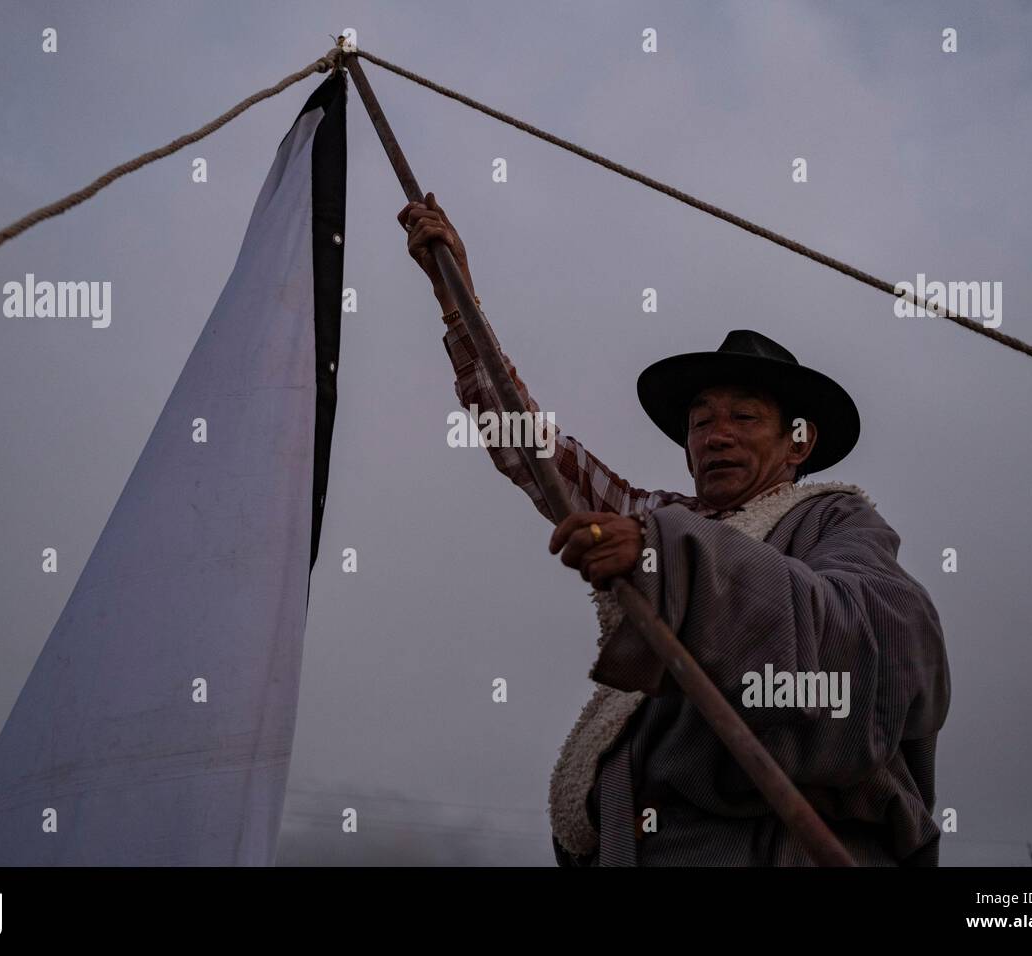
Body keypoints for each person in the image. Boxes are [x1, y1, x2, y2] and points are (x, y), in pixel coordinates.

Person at [397, 194, 952, 866]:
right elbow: (530, 450)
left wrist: (672, 561)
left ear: (797, 443)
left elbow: (889, 643)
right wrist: (458, 302)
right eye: (701, 422)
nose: (717, 435)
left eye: (744, 418)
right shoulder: (662, 517)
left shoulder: (833, 518)